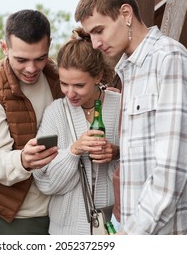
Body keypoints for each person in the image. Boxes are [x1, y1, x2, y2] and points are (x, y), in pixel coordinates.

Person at [75, 0, 187, 234]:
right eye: (91, 35)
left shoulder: (169, 60)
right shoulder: (130, 69)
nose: (96, 42)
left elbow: (173, 168)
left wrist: (132, 233)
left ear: (125, 14)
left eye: (99, 30)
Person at [0, 9, 63, 234]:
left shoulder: (56, 75)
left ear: (49, 44)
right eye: (21, 60)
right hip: (14, 218)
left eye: (40, 58)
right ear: (4, 47)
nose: (32, 69)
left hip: (60, 209)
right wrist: (23, 160)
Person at [33, 27, 121, 235]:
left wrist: (116, 152)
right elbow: (44, 181)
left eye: (79, 85)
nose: (70, 93)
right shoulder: (55, 113)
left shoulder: (121, 106)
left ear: (98, 76)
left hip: (114, 225)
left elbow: (148, 158)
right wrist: (73, 151)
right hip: (66, 232)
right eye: (64, 83)